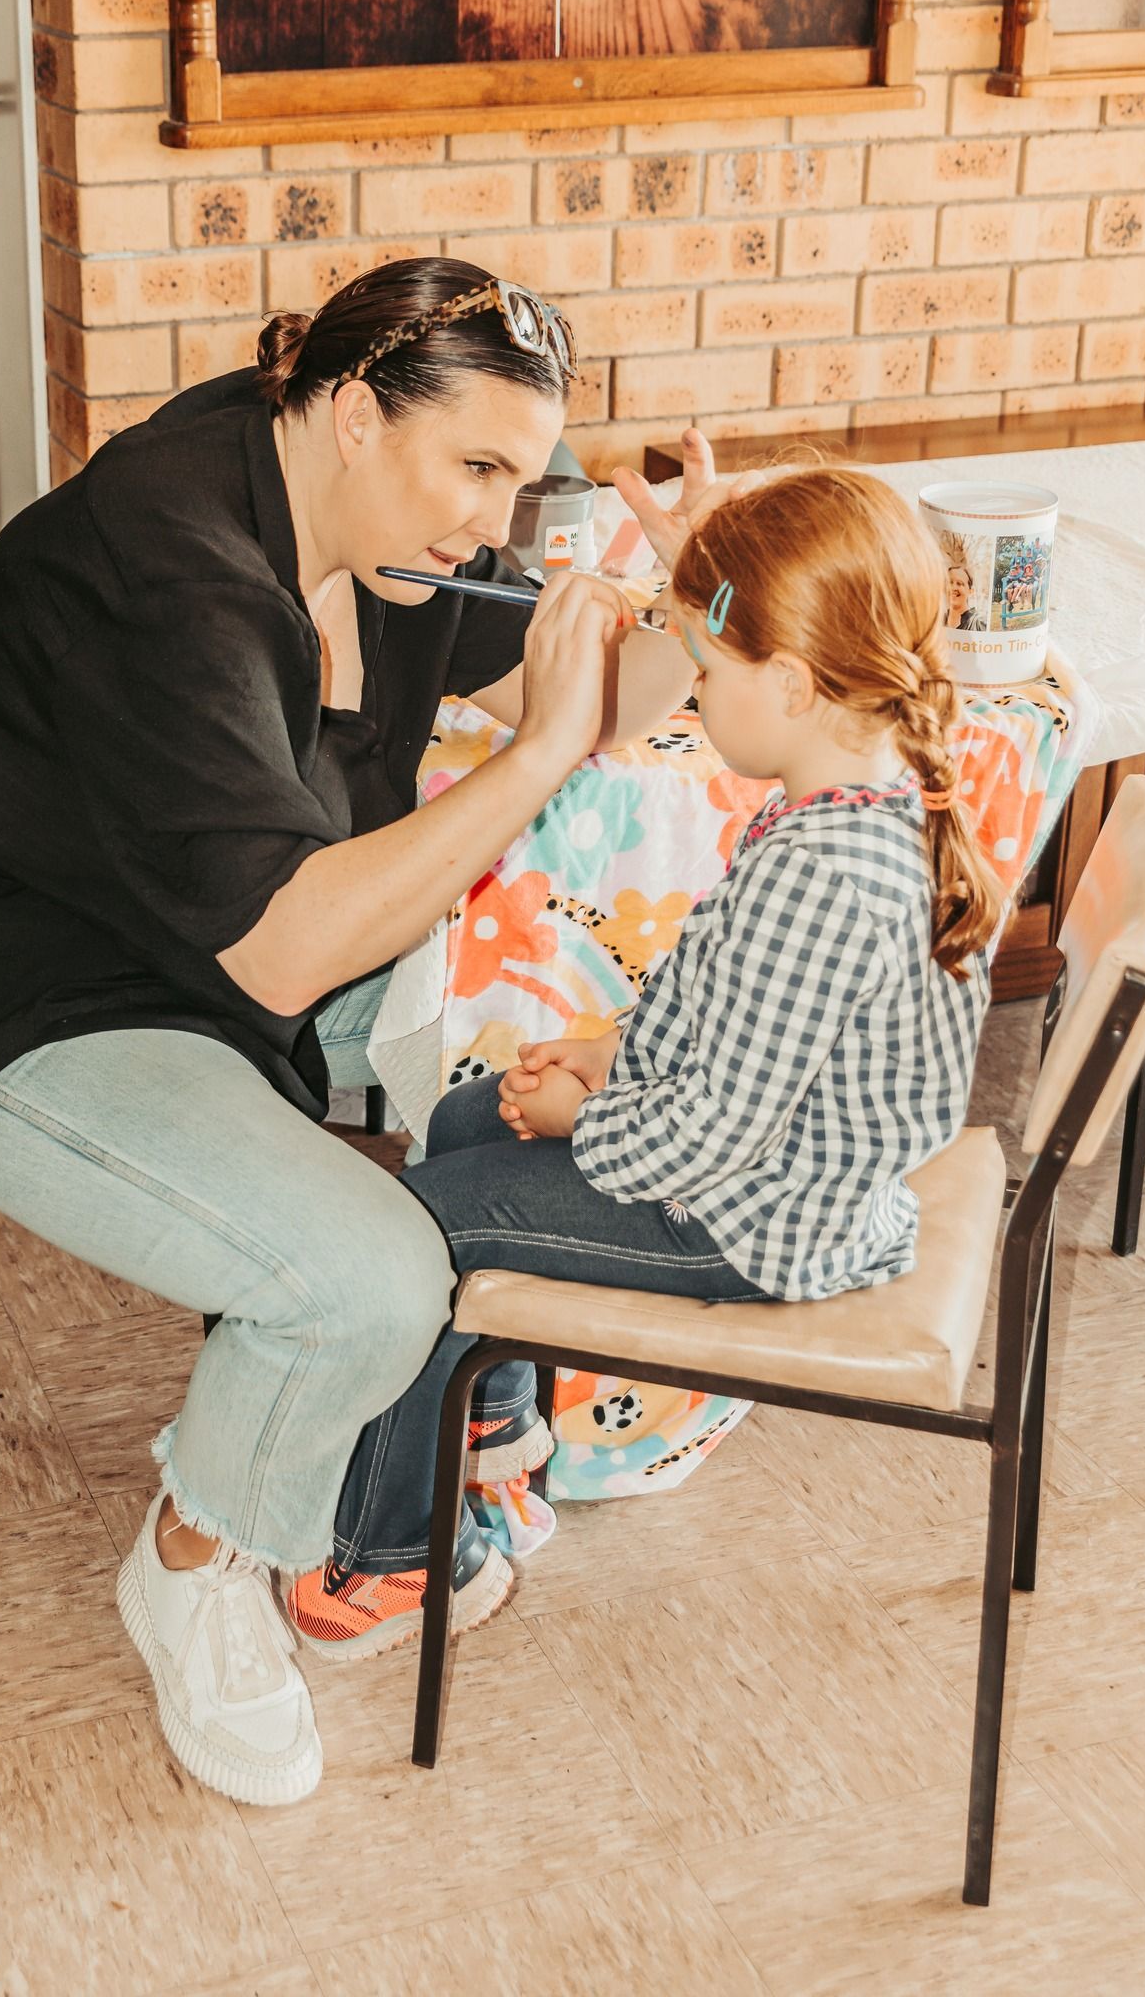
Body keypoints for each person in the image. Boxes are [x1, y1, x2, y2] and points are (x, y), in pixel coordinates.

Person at [0, 258, 708, 1806]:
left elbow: (613, 698)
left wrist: (699, 584)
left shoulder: (365, 513)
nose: (497, 520)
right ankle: (197, 1561)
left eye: (523, 475)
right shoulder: (170, 576)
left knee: (531, 1003)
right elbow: (285, 952)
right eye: (476, 466)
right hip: (29, 1002)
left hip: (196, 949)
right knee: (368, 1277)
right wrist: (541, 752)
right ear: (354, 410)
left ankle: (418, 1428)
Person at [287, 466, 1008, 1660]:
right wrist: (611, 1050)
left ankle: (395, 1560)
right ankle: (495, 1441)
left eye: (709, 673)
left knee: (419, 1225)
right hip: (766, 1176)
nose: (698, 697)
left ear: (787, 681)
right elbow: (750, 1024)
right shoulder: (859, 804)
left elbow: (716, 1129)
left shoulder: (820, 871)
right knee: (468, 1120)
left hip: (745, 1219)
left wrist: (585, 1114)